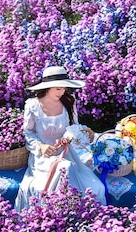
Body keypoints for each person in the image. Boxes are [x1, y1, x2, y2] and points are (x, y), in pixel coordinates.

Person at [14, 66, 107, 210]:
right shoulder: (33, 105)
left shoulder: (69, 101)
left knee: (94, 186)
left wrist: (84, 131)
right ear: (47, 87)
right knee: (65, 167)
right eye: (58, 88)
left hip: (66, 151)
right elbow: (28, 132)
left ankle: (75, 212)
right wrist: (41, 146)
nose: (62, 92)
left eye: (64, 88)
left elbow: (73, 127)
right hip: (44, 155)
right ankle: (53, 212)